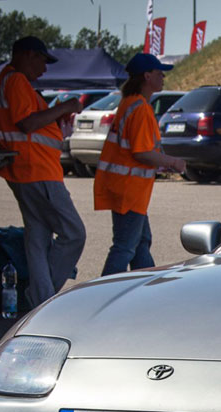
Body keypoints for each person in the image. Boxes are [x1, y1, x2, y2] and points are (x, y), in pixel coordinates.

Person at [0, 36, 86, 308]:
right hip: (37, 170)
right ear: (28, 55)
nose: (44, 70)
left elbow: (26, 124)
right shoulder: (17, 80)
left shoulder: (4, 81)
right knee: (74, 233)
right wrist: (64, 107)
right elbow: (27, 123)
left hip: (24, 169)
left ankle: (40, 299)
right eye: (42, 61)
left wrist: (56, 122)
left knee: (38, 237)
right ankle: (42, 298)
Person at [94, 53, 185, 275]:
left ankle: (146, 287)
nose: (163, 77)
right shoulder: (141, 109)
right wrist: (173, 162)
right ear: (147, 76)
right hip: (130, 190)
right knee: (125, 247)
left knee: (141, 242)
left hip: (125, 188)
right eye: (159, 73)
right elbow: (142, 152)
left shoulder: (129, 103)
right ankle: (103, 292)